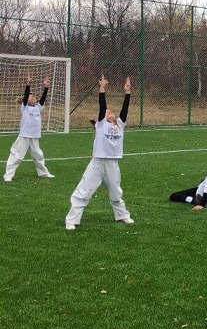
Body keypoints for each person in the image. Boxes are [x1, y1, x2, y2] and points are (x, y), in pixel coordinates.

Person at [65, 76, 134, 230]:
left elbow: (125, 110)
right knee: (84, 191)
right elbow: (102, 107)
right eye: (108, 112)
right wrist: (102, 89)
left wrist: (127, 92)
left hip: (112, 163)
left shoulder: (120, 125)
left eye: (112, 112)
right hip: (97, 163)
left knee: (116, 193)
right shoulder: (101, 125)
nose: (111, 113)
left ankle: (122, 215)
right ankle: (71, 220)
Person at [4, 74, 54, 182]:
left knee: (38, 155)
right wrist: (28, 84)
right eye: (31, 97)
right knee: (17, 155)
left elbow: (43, 98)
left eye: (34, 96)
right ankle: (8, 175)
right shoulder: (25, 107)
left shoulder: (38, 107)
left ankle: (43, 173)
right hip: (24, 136)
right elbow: (26, 95)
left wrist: (46, 87)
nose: (33, 97)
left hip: (34, 136)